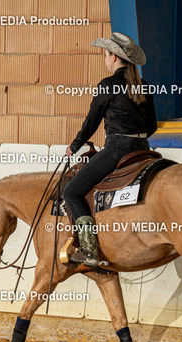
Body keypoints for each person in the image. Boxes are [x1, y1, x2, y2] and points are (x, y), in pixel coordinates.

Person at [63, 32, 157, 267]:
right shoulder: (144, 86)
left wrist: (74, 147)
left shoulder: (107, 85)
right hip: (143, 149)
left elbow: (91, 122)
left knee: (71, 192)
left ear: (113, 57)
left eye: (105, 55)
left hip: (117, 149)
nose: (105, 60)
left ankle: (88, 248)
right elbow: (152, 126)